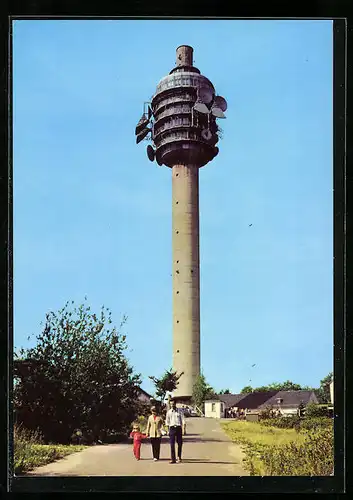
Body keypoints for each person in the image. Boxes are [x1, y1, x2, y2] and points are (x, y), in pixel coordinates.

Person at [165, 399, 186, 464]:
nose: (172, 405)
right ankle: (173, 459)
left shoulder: (180, 411)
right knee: (172, 444)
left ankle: (179, 457)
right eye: (171, 404)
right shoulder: (168, 412)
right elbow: (167, 422)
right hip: (172, 428)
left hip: (178, 428)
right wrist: (167, 430)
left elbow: (183, 420)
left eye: (173, 404)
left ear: (175, 404)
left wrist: (184, 429)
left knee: (179, 444)